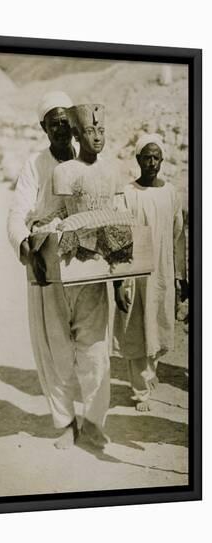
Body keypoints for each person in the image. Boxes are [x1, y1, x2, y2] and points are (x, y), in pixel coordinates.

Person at [8, 91, 84, 450]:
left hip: (88, 265)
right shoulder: (34, 165)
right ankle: (67, 421)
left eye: (65, 121)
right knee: (54, 345)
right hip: (47, 265)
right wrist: (24, 242)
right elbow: (18, 210)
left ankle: (93, 415)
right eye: (53, 123)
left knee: (91, 345)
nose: (61, 128)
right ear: (43, 127)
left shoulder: (89, 157)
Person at [50, 104, 117, 449]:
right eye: (90, 131)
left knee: (95, 351)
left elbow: (121, 222)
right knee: (63, 348)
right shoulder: (64, 173)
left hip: (97, 274)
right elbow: (56, 217)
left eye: (102, 130)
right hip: (68, 271)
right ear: (77, 135)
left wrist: (122, 277)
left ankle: (93, 424)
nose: (97, 137)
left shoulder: (112, 172)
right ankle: (66, 423)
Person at [113, 134, 188, 411]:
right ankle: (141, 390)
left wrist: (181, 275)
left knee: (157, 325)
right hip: (135, 271)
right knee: (135, 326)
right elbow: (118, 237)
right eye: (147, 156)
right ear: (138, 160)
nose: (152, 162)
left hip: (162, 272)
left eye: (156, 157)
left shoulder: (170, 192)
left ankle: (149, 375)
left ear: (162, 159)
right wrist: (119, 283)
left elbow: (178, 234)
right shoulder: (128, 194)